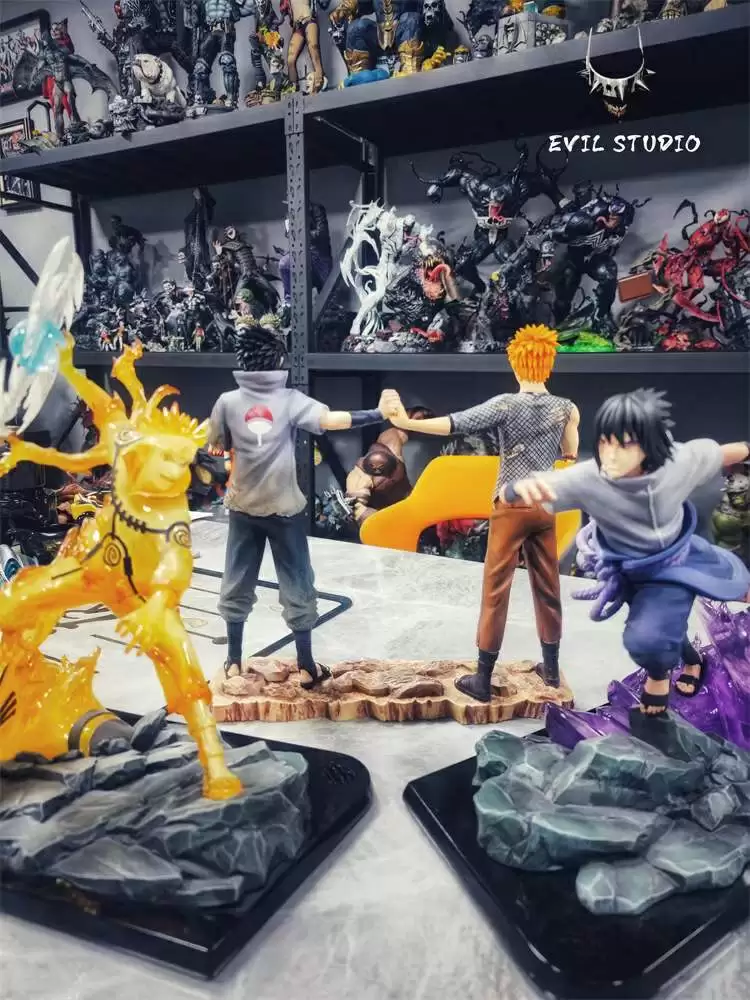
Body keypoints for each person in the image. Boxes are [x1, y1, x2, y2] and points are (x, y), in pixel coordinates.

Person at [498, 387, 750, 726]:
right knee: (663, 627)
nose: (611, 454)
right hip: (628, 571)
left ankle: (658, 677)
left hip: (676, 563)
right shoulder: (591, 478)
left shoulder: (678, 462)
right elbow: (543, 484)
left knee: (647, 637)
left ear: (649, 446)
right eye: (605, 442)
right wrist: (514, 489)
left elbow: (719, 453)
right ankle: (692, 662)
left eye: (625, 444)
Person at [380, 324, 580, 701]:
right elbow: (570, 452)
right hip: (545, 504)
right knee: (548, 586)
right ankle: (552, 672)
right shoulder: (566, 408)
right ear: (548, 363)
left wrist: (405, 423)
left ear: (516, 365)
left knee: (496, 588)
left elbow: (454, 423)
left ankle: (483, 679)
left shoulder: (505, 405)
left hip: (511, 504)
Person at [209, 325, 388, 686]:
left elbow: (215, 444)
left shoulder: (226, 402)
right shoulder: (290, 399)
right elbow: (332, 420)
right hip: (284, 510)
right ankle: (306, 665)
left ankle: (233, 662)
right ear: (279, 361)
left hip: (243, 507)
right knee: (298, 583)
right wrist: (378, 413)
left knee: (236, 580)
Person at [345, 407, 433, 522]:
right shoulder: (391, 438)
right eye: (418, 419)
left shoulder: (398, 440)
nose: (419, 424)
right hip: (364, 490)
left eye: (424, 421)